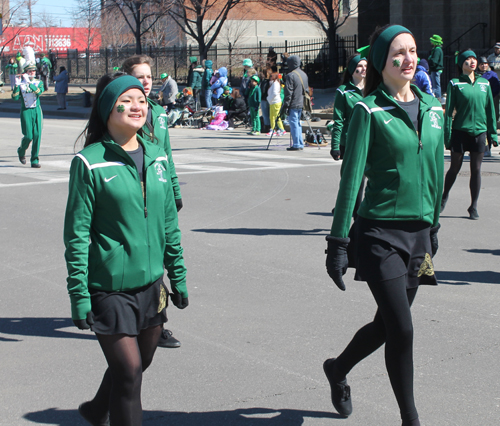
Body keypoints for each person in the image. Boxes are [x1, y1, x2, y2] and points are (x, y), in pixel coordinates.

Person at [325, 25, 444, 426]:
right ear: (382, 61)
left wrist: (435, 226)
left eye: (412, 50)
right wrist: (338, 242)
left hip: (418, 235)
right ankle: (411, 419)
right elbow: (351, 180)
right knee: (403, 329)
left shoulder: (433, 107)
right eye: (398, 52)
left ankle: (338, 368)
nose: (409, 59)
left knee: (386, 324)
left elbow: (435, 174)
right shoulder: (368, 109)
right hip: (378, 234)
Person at [64, 73, 188, 426]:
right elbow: (76, 235)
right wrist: (79, 296)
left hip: (151, 285)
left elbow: (169, 226)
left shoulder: (157, 158)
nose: (137, 106)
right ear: (108, 109)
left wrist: (177, 277)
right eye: (127, 100)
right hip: (109, 288)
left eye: (142, 100)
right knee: (130, 373)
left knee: (138, 365)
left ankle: (95, 408)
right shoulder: (89, 163)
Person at [121, 55, 184, 348]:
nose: (146, 82)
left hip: (157, 192)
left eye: (148, 77)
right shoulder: (121, 112)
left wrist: (175, 190)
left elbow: (167, 155)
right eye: (139, 77)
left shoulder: (158, 113)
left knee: (159, 256)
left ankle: (157, 323)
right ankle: (127, 315)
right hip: (132, 194)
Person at [440, 49, 498, 219]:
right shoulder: (455, 83)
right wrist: (447, 136)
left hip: (479, 132)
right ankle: (444, 197)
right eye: (468, 59)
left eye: (474, 58)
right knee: (454, 168)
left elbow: (490, 111)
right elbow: (449, 112)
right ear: (461, 64)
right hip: (460, 132)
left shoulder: (484, 84)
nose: (472, 61)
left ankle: (473, 206)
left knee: (476, 169)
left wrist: (492, 134)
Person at [331, 53, 367, 160]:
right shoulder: (343, 91)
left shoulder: (373, 89)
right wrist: (335, 146)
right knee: (352, 176)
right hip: (350, 141)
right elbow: (338, 120)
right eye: (360, 66)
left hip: (370, 140)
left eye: (366, 66)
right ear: (352, 69)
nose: (364, 69)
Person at [12, 62, 44, 168]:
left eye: (33, 71)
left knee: (37, 135)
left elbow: (39, 92)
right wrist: (17, 85)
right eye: (30, 71)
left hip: (36, 110)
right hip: (26, 110)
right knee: (28, 136)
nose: (32, 73)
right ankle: (21, 151)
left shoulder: (38, 82)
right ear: (25, 72)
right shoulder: (21, 85)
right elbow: (15, 98)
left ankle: (34, 159)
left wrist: (29, 83)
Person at [283, 55, 309, 151]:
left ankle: (297, 144)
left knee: (294, 124)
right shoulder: (303, 74)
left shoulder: (291, 75)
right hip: (300, 102)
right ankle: (300, 143)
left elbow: (288, 92)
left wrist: (286, 105)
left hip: (293, 103)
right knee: (297, 124)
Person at [478, 56, 500, 155]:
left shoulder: (492, 75)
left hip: (490, 101)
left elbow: (496, 87)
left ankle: (488, 147)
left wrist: (490, 96)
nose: (484, 66)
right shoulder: (475, 75)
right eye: (482, 64)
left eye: (485, 64)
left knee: (489, 124)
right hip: (478, 102)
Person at [267, 72, 286, 136]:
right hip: (272, 102)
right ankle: (272, 129)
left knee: (277, 117)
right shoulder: (273, 83)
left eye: (271, 76)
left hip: (275, 102)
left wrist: (269, 98)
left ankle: (282, 129)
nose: (270, 77)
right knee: (271, 117)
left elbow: (275, 93)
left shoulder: (276, 84)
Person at [428, 34, 444, 101]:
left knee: (436, 86)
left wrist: (430, 62)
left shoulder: (437, 50)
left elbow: (434, 61)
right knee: (436, 85)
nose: (431, 43)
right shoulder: (437, 50)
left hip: (435, 70)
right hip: (436, 70)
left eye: (432, 41)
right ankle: (437, 98)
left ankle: (438, 98)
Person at [259, 68, 272, 134]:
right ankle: (270, 126)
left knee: (265, 114)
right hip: (270, 99)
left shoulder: (264, 81)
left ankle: (267, 127)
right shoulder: (271, 81)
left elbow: (263, 91)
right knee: (270, 114)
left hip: (264, 99)